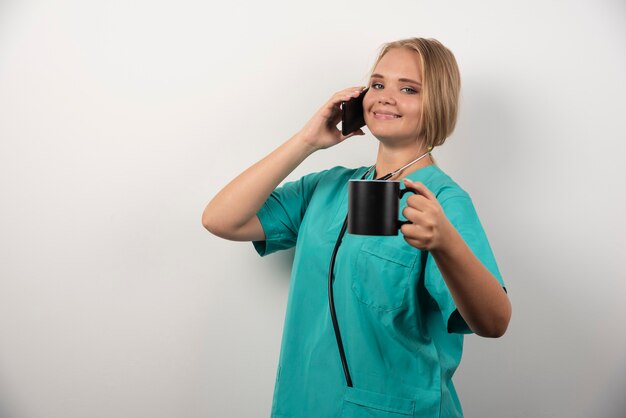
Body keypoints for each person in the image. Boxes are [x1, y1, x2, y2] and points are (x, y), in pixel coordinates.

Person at [202, 37, 511, 418]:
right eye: (378, 84)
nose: (385, 96)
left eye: (409, 88)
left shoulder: (443, 202)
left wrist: (445, 243)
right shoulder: (328, 187)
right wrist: (307, 141)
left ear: (438, 104)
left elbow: (495, 322)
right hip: (305, 405)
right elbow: (220, 219)